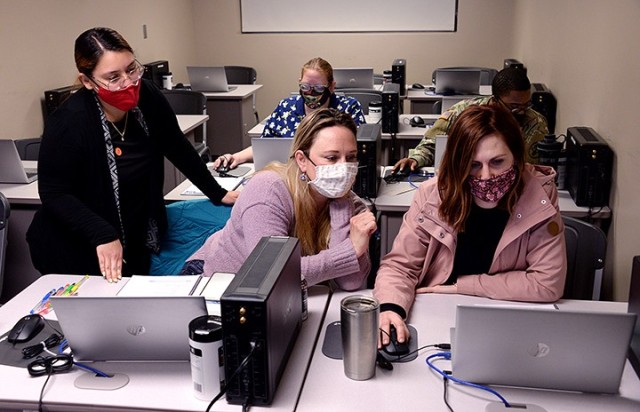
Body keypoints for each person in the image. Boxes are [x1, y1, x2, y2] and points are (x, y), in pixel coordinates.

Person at [27, 27, 238, 283]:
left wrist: (217, 192)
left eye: (131, 69)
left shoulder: (147, 95)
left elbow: (176, 145)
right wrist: (101, 233)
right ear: (87, 81)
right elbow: (54, 193)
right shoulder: (69, 123)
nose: (128, 83)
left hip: (134, 232)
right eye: (113, 77)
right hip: (78, 244)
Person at [374, 104, 566, 346]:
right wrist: (391, 307)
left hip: (508, 320)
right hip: (438, 315)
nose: (486, 176)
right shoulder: (433, 194)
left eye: (497, 162)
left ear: (517, 156)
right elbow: (401, 266)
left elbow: (547, 283)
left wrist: (462, 287)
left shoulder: (539, 195)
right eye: (474, 165)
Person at [185, 108, 377, 291]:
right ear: (302, 160)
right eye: (332, 158)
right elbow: (271, 273)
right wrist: (350, 251)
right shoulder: (268, 189)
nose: (344, 167)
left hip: (283, 294)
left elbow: (351, 282)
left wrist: (341, 204)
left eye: (351, 158)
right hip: (213, 280)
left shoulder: (352, 203)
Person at [212, 57, 366, 170]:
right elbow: (266, 145)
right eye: (305, 86)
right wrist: (235, 157)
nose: (310, 93)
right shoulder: (286, 107)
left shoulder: (348, 109)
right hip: (288, 176)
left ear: (331, 87)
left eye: (319, 88)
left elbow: (360, 153)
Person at [394, 67, 548, 172]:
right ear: (495, 99)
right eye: (514, 106)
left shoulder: (536, 122)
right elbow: (431, 145)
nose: (521, 112)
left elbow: (540, 167)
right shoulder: (464, 112)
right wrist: (414, 159)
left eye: (526, 105)